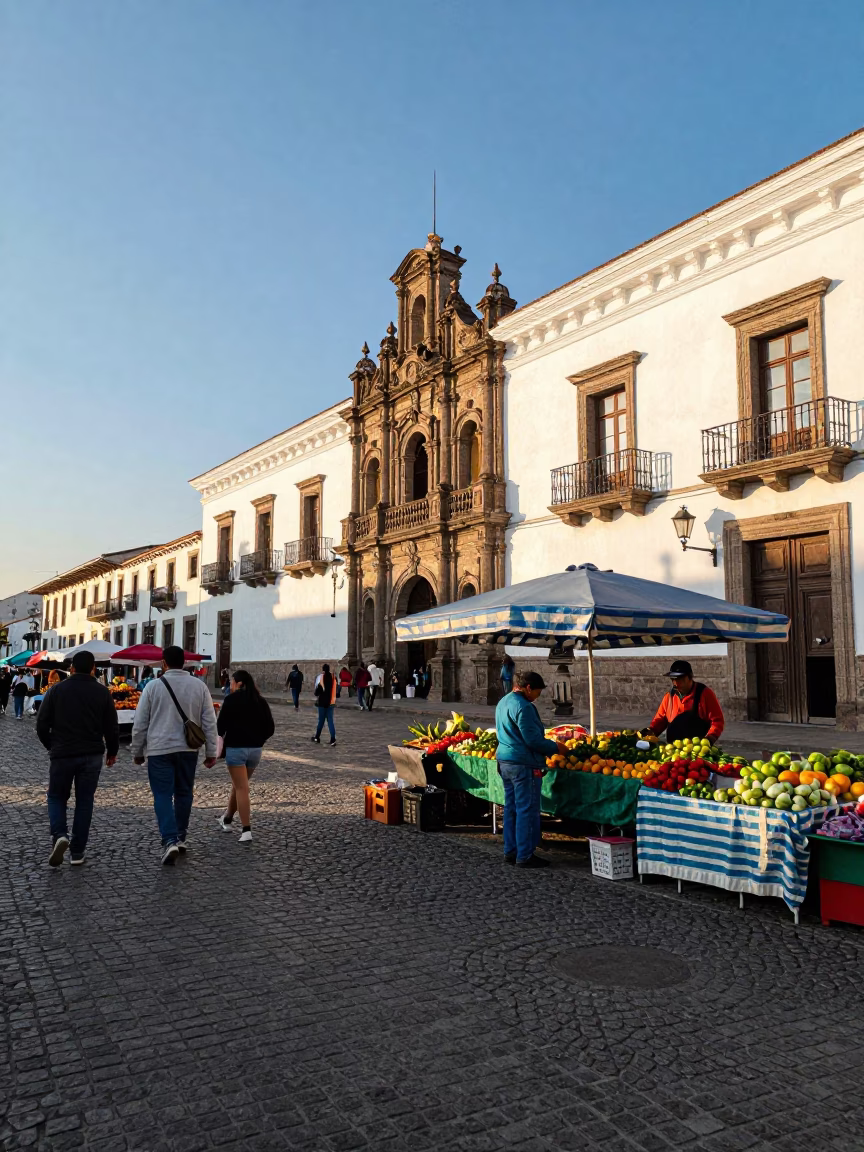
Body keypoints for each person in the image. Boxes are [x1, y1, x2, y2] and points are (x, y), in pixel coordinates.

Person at [131, 645, 218, 865]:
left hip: (160, 750)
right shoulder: (199, 687)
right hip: (188, 749)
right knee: (184, 793)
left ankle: (169, 839)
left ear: (164, 663)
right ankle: (180, 836)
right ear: (185, 663)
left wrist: (137, 751)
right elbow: (209, 721)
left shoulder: (153, 687)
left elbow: (140, 723)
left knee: (162, 795)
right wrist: (211, 751)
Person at [36, 650, 119, 866]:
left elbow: (42, 724)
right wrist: (112, 750)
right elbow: (111, 726)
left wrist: (51, 746)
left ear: (71, 668)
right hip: (91, 754)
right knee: (84, 802)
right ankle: (77, 852)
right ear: (93, 669)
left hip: (62, 753)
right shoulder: (102, 693)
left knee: (56, 797)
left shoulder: (56, 690)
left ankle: (60, 835)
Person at [494, 670, 567, 870]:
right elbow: (532, 740)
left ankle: (510, 851)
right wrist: (556, 748)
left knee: (511, 808)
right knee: (526, 809)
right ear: (527, 688)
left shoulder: (504, 701)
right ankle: (525, 855)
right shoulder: (524, 707)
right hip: (522, 764)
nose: (538, 696)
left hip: (505, 761)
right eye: (537, 691)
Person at [216, 669, 275, 843]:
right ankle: (226, 818)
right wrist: (259, 740)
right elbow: (270, 728)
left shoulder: (230, 700)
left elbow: (220, 727)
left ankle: (246, 829)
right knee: (239, 785)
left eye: (232, 682)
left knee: (241, 788)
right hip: (255, 751)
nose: (230, 685)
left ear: (239, 683)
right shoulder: (260, 701)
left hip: (236, 750)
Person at [642, 659, 724, 747]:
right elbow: (660, 720)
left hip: (698, 750)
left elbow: (717, 721)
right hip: (673, 750)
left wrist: (710, 739)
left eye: (680, 679)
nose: (676, 683)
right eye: (673, 679)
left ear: (690, 677)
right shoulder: (669, 697)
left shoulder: (704, 694)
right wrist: (650, 731)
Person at [312, 663, 337, 745]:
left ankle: (317, 737)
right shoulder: (333, 677)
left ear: (323, 669)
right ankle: (333, 739)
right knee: (330, 721)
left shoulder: (321, 678)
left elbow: (316, 692)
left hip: (322, 703)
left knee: (321, 721)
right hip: (331, 702)